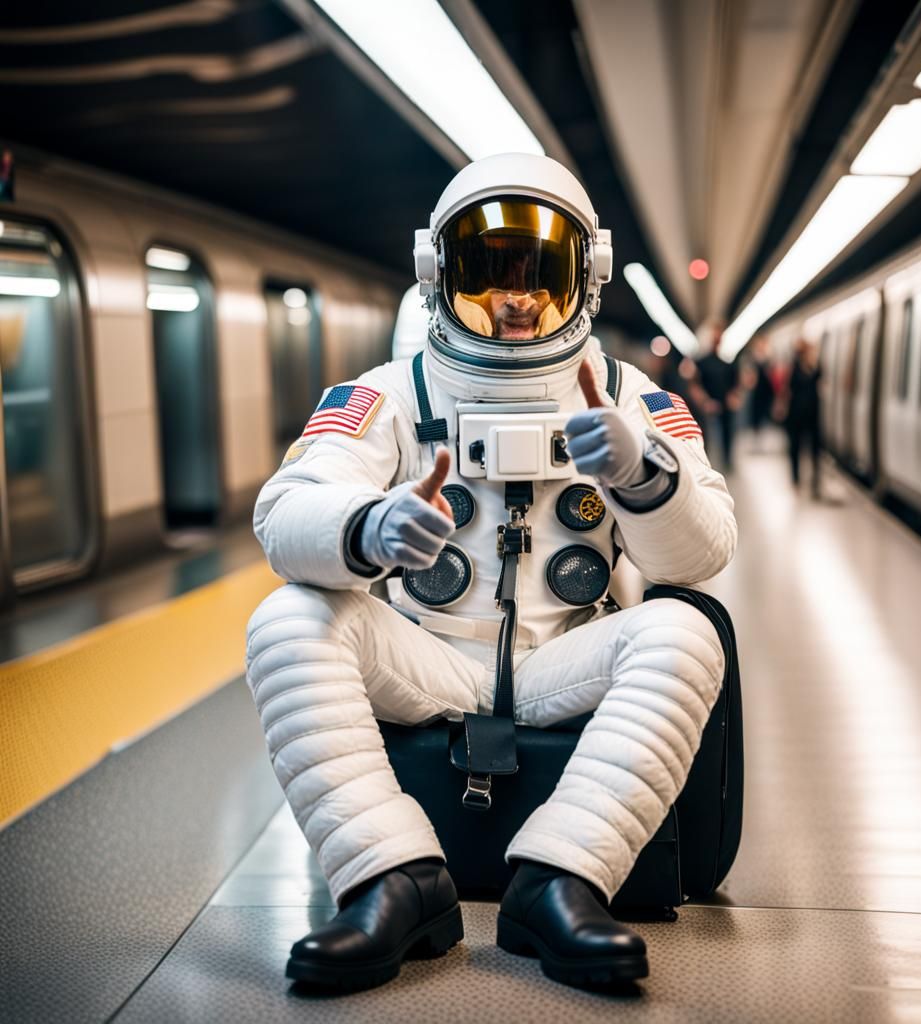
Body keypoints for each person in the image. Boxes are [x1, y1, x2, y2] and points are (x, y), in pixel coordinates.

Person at [245, 153, 737, 993]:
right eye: (487, 274)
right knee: (288, 618)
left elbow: (701, 553)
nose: (516, 299)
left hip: (561, 659)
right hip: (428, 656)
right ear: (438, 275)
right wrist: (368, 525)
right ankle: (391, 879)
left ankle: (562, 882)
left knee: (686, 633)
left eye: (540, 275)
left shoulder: (631, 398)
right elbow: (284, 512)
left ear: (586, 277)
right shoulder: (392, 394)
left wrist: (642, 476)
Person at [690, 320, 743, 471]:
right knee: (706, 436)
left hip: (725, 404)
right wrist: (705, 401)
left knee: (728, 434)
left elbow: (736, 384)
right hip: (707, 405)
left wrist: (734, 397)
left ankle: (727, 462)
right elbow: (695, 385)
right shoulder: (701, 362)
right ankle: (705, 464)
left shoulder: (728, 362)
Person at [779, 337, 822, 496]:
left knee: (814, 447)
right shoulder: (794, 367)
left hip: (812, 413)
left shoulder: (815, 366)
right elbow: (787, 389)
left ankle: (815, 480)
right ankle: (796, 478)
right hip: (796, 413)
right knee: (795, 446)